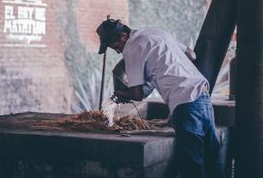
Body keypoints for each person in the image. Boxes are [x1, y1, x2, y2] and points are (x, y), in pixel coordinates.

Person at [96, 18, 224, 178]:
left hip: (185, 104)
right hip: (203, 96)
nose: (119, 52)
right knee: (212, 159)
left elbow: (137, 94)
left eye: (116, 47)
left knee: (193, 166)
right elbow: (192, 54)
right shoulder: (155, 32)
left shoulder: (132, 48)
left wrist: (120, 94)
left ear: (123, 36)